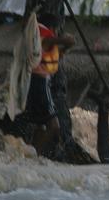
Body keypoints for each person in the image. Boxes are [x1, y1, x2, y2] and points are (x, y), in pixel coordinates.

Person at [12, 13, 74, 157]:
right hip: (39, 83)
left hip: (37, 82)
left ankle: (30, 154)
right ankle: (36, 154)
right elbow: (67, 41)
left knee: (41, 125)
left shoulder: (40, 40)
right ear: (53, 27)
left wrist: (63, 48)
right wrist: (68, 39)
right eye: (56, 29)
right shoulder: (44, 37)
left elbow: (59, 52)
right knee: (54, 126)